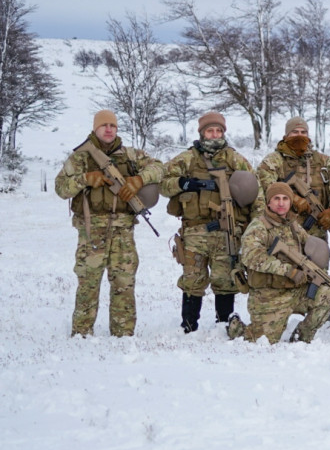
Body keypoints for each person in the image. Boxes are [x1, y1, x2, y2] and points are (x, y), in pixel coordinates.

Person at [54, 109, 164, 337]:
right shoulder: (81, 157)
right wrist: (85, 179)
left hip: (123, 229)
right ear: (95, 128)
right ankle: (82, 332)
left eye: (112, 126)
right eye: (104, 125)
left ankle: (123, 333)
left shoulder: (131, 155)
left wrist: (139, 180)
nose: (108, 129)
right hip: (91, 229)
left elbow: (160, 168)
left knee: (123, 280)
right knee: (89, 281)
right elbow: (61, 188)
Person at [161, 112, 264, 333]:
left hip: (226, 230)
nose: (215, 135)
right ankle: (189, 326)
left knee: (226, 278)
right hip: (195, 230)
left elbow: (256, 190)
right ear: (202, 133)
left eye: (218, 131)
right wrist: (184, 183)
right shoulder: (187, 159)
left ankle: (223, 324)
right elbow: (163, 183)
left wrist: (256, 224)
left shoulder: (235, 159)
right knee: (193, 279)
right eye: (210, 131)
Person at [226, 182, 330, 343]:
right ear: (268, 202)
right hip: (269, 294)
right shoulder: (258, 226)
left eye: (285, 198)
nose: (281, 202)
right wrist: (288, 271)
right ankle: (236, 327)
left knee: (329, 293)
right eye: (276, 198)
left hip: (295, 290)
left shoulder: (293, 226)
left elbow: (309, 247)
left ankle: (302, 336)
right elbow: (252, 257)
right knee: (262, 341)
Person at [256, 116, 330, 239]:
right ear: (286, 135)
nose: (300, 136)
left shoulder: (324, 161)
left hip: (316, 235)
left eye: (303, 132)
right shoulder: (274, 160)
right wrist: (293, 199)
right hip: (282, 232)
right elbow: (266, 184)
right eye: (295, 132)